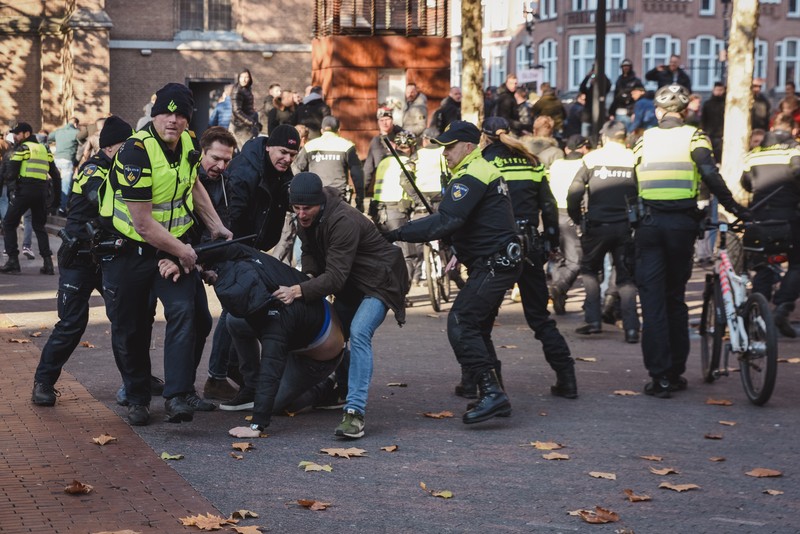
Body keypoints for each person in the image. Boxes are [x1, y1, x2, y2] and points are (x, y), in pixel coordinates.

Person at [98, 83, 232, 426]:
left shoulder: (188, 143)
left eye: (180, 114)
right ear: (154, 114)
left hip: (172, 246)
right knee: (131, 328)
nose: (172, 120)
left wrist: (215, 224)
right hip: (131, 251)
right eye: (166, 113)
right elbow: (142, 223)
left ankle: (178, 395)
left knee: (188, 313)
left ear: (188, 120)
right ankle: (138, 397)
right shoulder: (135, 152)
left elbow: (193, 185)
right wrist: (183, 252)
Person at [384, 121, 521, 425]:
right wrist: (461, 246)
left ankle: (492, 393)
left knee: (461, 321)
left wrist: (396, 234)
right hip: (496, 261)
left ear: (469, 147)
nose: (444, 153)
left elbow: (445, 221)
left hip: (494, 263)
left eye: (450, 146)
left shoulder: (472, 174)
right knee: (478, 325)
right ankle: (493, 392)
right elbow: (479, 221)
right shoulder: (477, 171)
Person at [272, 172, 408, 439]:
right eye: (296, 208)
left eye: (306, 208)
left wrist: (299, 290)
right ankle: (341, 387)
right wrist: (309, 276)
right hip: (351, 285)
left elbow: (334, 277)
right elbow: (309, 252)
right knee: (336, 334)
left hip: (380, 282)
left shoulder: (342, 219)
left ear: (320, 202)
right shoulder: (305, 217)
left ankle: (354, 413)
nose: (301, 214)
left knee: (358, 332)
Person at [633, 84, 748, 398]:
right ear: (685, 112)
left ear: (658, 111)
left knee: (653, 302)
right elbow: (710, 175)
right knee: (675, 298)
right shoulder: (695, 137)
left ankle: (659, 378)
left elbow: (633, 181)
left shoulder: (644, 138)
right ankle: (675, 371)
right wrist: (736, 208)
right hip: (681, 224)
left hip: (649, 224)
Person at [192, 243, 346, 439]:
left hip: (319, 357)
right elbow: (225, 247)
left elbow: (270, 369)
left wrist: (256, 425)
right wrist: (185, 257)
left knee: (273, 404)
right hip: (303, 331)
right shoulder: (249, 259)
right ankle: (250, 386)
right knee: (234, 320)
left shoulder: (277, 318)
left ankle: (326, 387)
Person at [30, 117, 133, 406]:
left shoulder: (118, 168)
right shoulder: (93, 169)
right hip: (79, 257)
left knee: (125, 320)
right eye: (127, 146)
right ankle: (43, 382)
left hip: (107, 257)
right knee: (73, 322)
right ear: (113, 147)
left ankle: (135, 380)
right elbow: (99, 199)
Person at [481, 117, 578, 399]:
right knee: (539, 317)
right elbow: (548, 206)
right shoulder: (531, 161)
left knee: (482, 318)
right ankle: (566, 377)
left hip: (497, 246)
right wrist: (548, 240)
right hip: (530, 245)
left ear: (484, 137)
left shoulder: (485, 162)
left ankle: (487, 381)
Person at [217, 124, 301, 410]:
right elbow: (232, 215)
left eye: (292, 154)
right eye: (283, 152)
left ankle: (233, 373)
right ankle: (221, 373)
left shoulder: (278, 170)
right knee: (234, 304)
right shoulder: (246, 171)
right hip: (237, 244)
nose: (287, 159)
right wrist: (233, 251)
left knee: (239, 305)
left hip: (254, 245)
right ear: (269, 147)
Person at [567, 120, 640, 343]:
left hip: (597, 226)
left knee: (589, 271)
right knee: (626, 278)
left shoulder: (592, 158)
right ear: (624, 138)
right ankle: (631, 329)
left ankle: (593, 320)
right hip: (626, 227)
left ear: (605, 138)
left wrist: (578, 218)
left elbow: (574, 192)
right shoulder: (634, 158)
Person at [741, 112, 800, 338]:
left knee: (763, 266)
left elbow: (746, 184)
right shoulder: (795, 151)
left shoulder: (754, 155)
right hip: (789, 219)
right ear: (793, 131)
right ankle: (783, 308)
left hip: (759, 219)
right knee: (796, 265)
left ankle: (758, 316)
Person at [194, 126, 241, 401]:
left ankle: (218, 376)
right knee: (194, 319)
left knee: (235, 304)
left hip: (211, 256)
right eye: (215, 158)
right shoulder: (186, 179)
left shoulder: (226, 183)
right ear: (202, 152)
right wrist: (198, 265)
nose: (221, 166)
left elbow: (222, 225)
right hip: (180, 255)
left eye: (226, 160)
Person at [1, 122, 61, 275]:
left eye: (17, 133)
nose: (15, 136)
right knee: (39, 226)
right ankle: (48, 263)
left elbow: (10, 173)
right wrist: (56, 199)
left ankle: (13, 261)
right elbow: (55, 174)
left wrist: (11, 189)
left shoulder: (23, 149)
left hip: (24, 191)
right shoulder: (44, 149)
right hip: (41, 191)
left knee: (8, 223)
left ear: (26, 134)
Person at [548, 135, 591, 314]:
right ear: (583, 148)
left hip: (552, 213)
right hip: (571, 214)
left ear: (567, 149)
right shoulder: (584, 165)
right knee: (575, 261)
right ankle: (560, 287)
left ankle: (560, 298)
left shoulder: (557, 164)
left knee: (558, 258)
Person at [370, 130, 418, 283]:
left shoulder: (384, 161)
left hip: (378, 212)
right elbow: (407, 183)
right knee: (407, 255)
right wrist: (418, 201)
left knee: (384, 254)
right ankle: (401, 292)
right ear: (412, 147)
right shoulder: (406, 163)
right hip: (396, 211)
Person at [291, 115, 364, 207]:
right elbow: (357, 173)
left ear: (322, 131)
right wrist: (360, 198)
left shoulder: (310, 146)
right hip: (338, 197)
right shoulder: (347, 146)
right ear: (338, 130)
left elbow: (295, 167)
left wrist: (301, 189)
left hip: (314, 195)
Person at [364, 106, 403, 200]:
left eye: (387, 119)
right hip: (382, 194)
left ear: (392, 120)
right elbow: (368, 168)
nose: (384, 123)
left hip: (400, 191)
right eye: (381, 120)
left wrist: (398, 149)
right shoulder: (376, 141)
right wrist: (361, 192)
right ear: (378, 122)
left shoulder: (403, 137)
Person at [48, 117, 82, 213]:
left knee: (56, 183)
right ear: (76, 124)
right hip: (67, 160)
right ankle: (62, 207)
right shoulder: (76, 132)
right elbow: (82, 144)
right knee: (65, 185)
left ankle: (54, 205)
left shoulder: (59, 131)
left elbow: (49, 138)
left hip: (56, 159)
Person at [608, 59, 643, 130]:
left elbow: (640, 97)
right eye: (624, 66)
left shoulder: (636, 81)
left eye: (627, 66)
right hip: (619, 111)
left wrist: (634, 112)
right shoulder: (619, 80)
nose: (626, 68)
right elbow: (616, 97)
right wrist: (612, 112)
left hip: (630, 112)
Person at [230, 69, 260, 149]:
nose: (244, 79)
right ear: (238, 78)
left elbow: (245, 106)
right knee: (246, 152)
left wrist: (252, 111)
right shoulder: (237, 90)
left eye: (246, 77)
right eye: (242, 77)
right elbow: (236, 111)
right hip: (240, 127)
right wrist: (251, 122)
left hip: (246, 126)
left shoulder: (247, 89)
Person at [579, 65, 612, 138]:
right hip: (588, 117)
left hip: (599, 117)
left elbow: (609, 85)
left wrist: (601, 73)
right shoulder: (588, 91)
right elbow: (582, 87)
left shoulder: (602, 91)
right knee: (585, 137)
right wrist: (588, 76)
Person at [701, 82, 726, 164]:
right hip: (710, 135)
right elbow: (703, 120)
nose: (719, 92)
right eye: (717, 90)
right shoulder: (708, 104)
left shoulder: (726, 105)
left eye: (721, 90)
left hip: (722, 136)